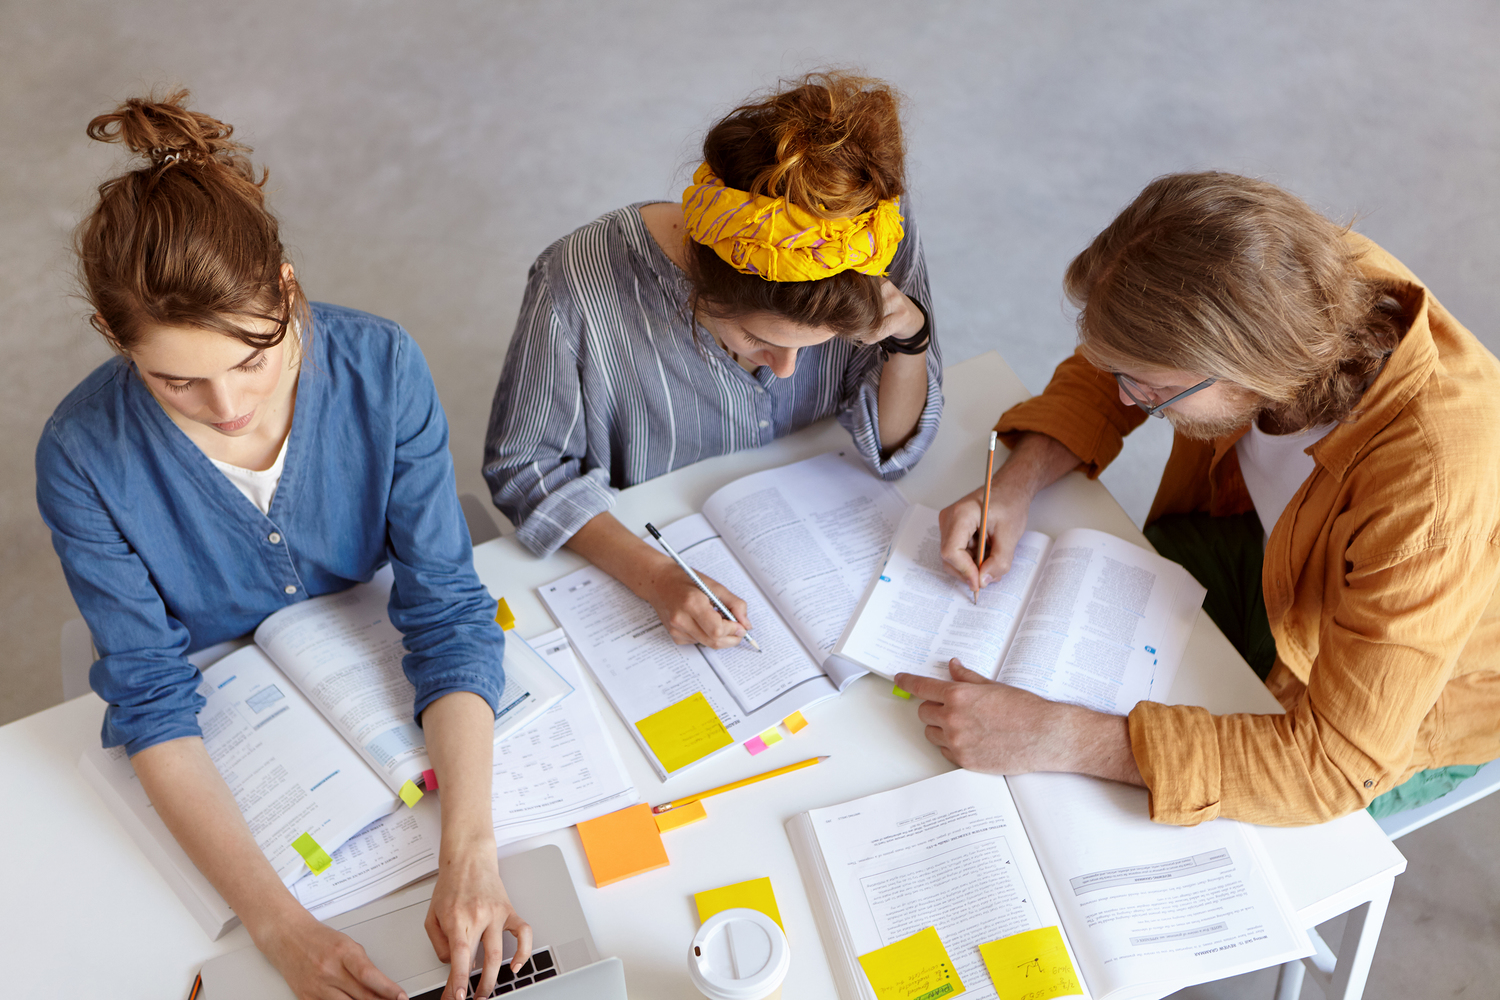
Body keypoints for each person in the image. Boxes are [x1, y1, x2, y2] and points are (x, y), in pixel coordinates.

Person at [37, 92, 528, 1000]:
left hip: (367, 666)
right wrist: (280, 928)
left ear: (288, 290)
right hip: (229, 695)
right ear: (115, 340)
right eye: (177, 382)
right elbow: (149, 697)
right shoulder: (81, 457)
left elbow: (449, 608)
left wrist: (470, 848)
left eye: (256, 359)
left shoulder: (381, 367)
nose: (228, 409)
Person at [913, 172, 1500, 827]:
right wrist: (1017, 484)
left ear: (1249, 365)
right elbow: (1118, 363)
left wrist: (1060, 737)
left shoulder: (1431, 498)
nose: (1127, 397)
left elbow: (1332, 768)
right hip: (1265, 544)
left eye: (1152, 391)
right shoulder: (1285, 275)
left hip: (1414, 689)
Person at [483, 72, 942, 648]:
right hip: (651, 536)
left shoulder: (869, 238)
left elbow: (896, 450)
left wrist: (910, 341)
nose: (785, 371)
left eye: (813, 346)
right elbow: (525, 468)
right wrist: (656, 577)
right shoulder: (577, 279)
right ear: (698, 282)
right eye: (756, 340)